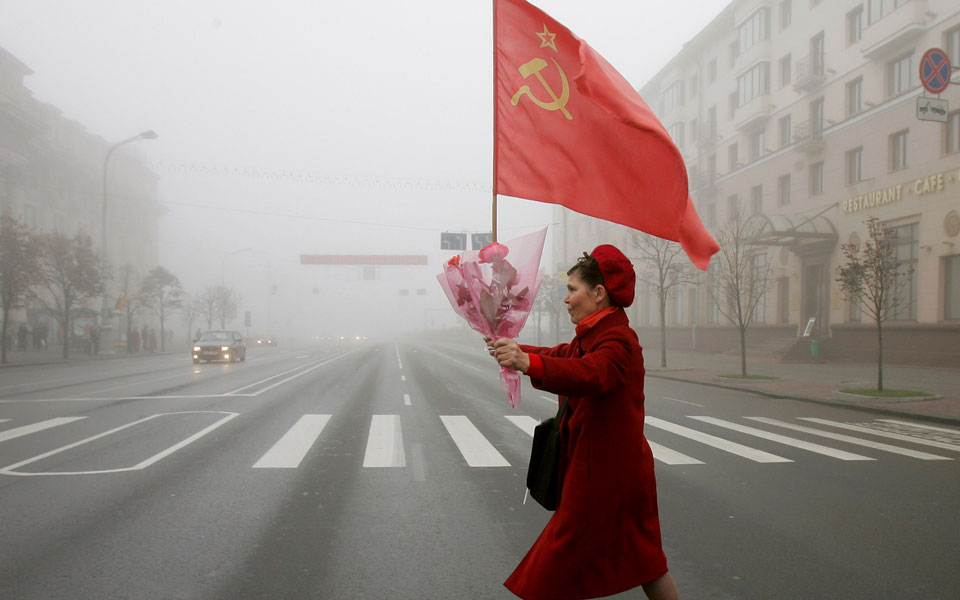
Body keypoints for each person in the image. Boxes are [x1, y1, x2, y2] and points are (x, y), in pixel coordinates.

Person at [488, 244, 679, 600]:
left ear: (599, 293)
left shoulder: (618, 341)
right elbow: (562, 356)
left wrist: (527, 363)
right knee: (647, 563)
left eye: (572, 290)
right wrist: (515, 350)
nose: (566, 299)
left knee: (550, 572)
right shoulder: (595, 336)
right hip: (614, 471)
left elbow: (591, 374)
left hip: (603, 477)